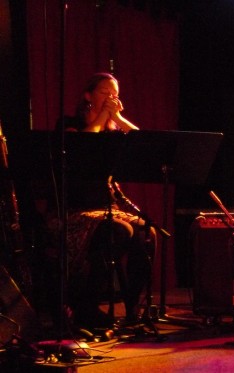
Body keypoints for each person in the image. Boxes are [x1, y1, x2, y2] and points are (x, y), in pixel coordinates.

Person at [41, 73, 154, 331]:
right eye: (105, 92)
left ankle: (133, 305)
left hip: (105, 208)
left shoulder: (111, 130)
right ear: (88, 96)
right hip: (73, 209)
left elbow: (143, 143)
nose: (111, 98)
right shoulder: (69, 124)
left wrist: (117, 118)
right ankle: (86, 306)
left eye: (115, 93)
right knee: (119, 230)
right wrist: (104, 117)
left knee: (148, 233)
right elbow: (85, 147)